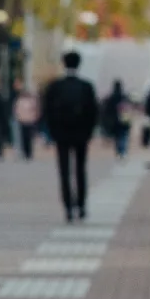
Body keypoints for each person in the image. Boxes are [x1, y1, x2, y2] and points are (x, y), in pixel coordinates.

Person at [42, 50, 100, 221]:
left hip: (61, 134)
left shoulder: (55, 86)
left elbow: (47, 111)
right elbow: (94, 112)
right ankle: (81, 205)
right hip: (81, 134)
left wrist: (51, 132)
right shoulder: (86, 86)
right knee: (81, 170)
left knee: (64, 171)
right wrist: (89, 132)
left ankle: (68, 207)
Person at [13, 82, 42, 160]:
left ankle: (29, 152)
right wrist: (18, 117)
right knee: (23, 138)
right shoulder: (20, 100)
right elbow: (16, 110)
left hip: (30, 120)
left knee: (29, 138)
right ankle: (25, 152)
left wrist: (35, 117)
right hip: (22, 121)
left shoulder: (32, 100)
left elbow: (36, 110)